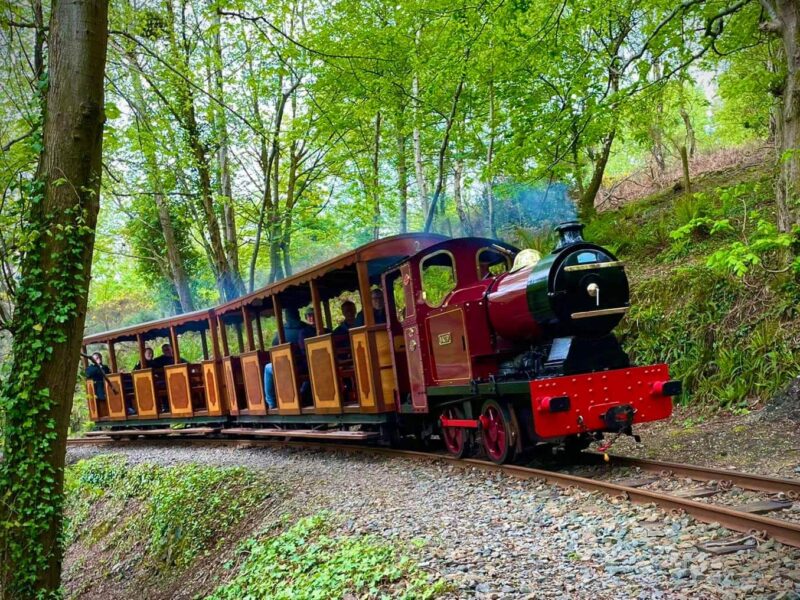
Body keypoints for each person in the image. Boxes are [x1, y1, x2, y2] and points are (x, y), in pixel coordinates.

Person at [264, 308, 315, 409]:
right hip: (308, 364)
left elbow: (274, 347)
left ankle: (272, 402)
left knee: (267, 368)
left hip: (289, 367)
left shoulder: (281, 332)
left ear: (286, 318)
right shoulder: (308, 329)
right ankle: (302, 394)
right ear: (299, 315)